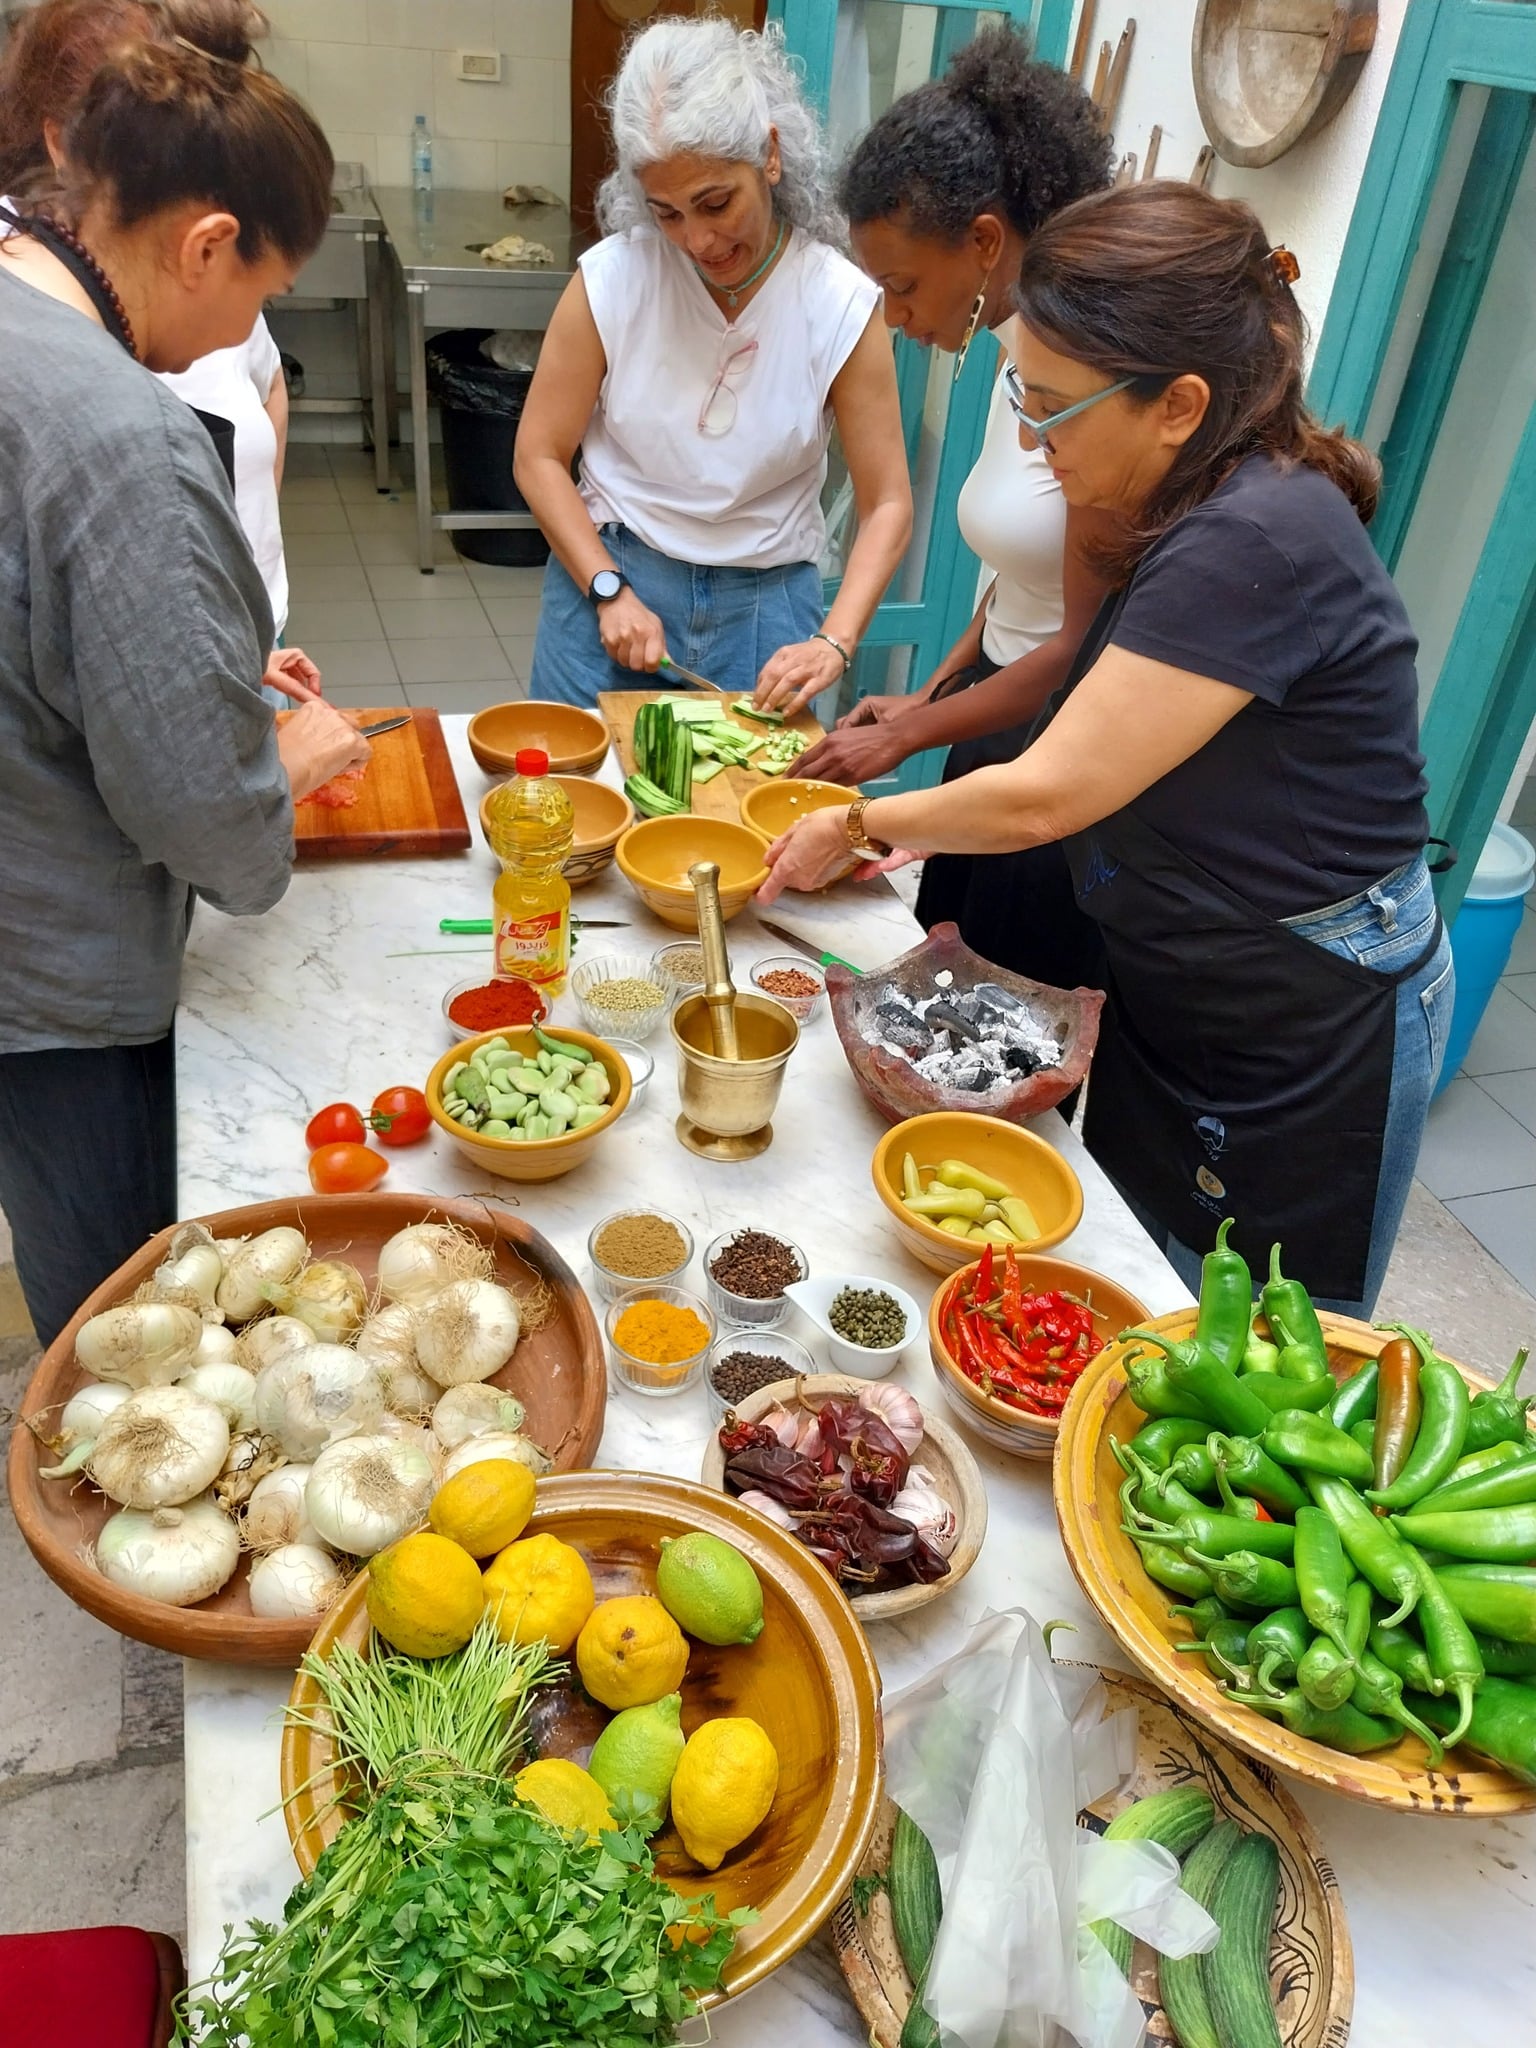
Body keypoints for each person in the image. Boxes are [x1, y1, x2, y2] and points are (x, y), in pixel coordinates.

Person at [759, 182, 1454, 1320]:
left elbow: (1048, 795)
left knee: (1257, 1339)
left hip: (1301, 1006)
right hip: (1186, 963)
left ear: (1178, 404)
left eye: (1053, 409)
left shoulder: (1256, 535)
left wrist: (857, 821)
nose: (1032, 440)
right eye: (1020, 396)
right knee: (1139, 1288)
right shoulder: (1186, 492)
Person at [0, 8, 369, 1345]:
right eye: (262, 291)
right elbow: (211, 828)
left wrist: (193, 650)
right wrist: (283, 763)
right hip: (62, 982)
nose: (247, 326)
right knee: (126, 1334)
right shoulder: (129, 435)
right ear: (205, 243)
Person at [783, 27, 1114, 989]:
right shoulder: (1018, 364)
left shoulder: (1084, 397)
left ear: (984, 244)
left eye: (902, 286)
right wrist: (933, 694)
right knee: (940, 968)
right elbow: (1018, 580)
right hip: (992, 718)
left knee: (999, 1000)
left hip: (1054, 745)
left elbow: (1073, 647)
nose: (893, 317)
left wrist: (902, 738)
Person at [515, 17, 911, 711]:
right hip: (610, 583)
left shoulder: (837, 302)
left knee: (753, 786)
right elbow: (538, 455)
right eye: (667, 214)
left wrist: (835, 640)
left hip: (765, 611)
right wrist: (607, 589)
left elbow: (888, 504)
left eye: (716, 203)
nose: (698, 240)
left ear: (770, 156)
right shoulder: (614, 280)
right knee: (582, 781)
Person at [0, 0, 320, 706]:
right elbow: (183, 765)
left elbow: (266, 383)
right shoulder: (127, 424)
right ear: (61, 141)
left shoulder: (186, 283)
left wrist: (221, 606)